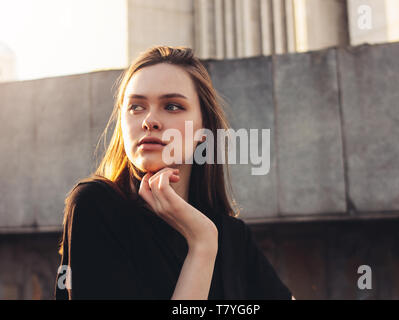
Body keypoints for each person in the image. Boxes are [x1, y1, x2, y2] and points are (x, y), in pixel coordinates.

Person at [54, 45, 294, 300]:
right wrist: (202, 245)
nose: (149, 120)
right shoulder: (96, 205)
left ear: (204, 131)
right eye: (136, 107)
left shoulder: (232, 236)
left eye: (172, 106)